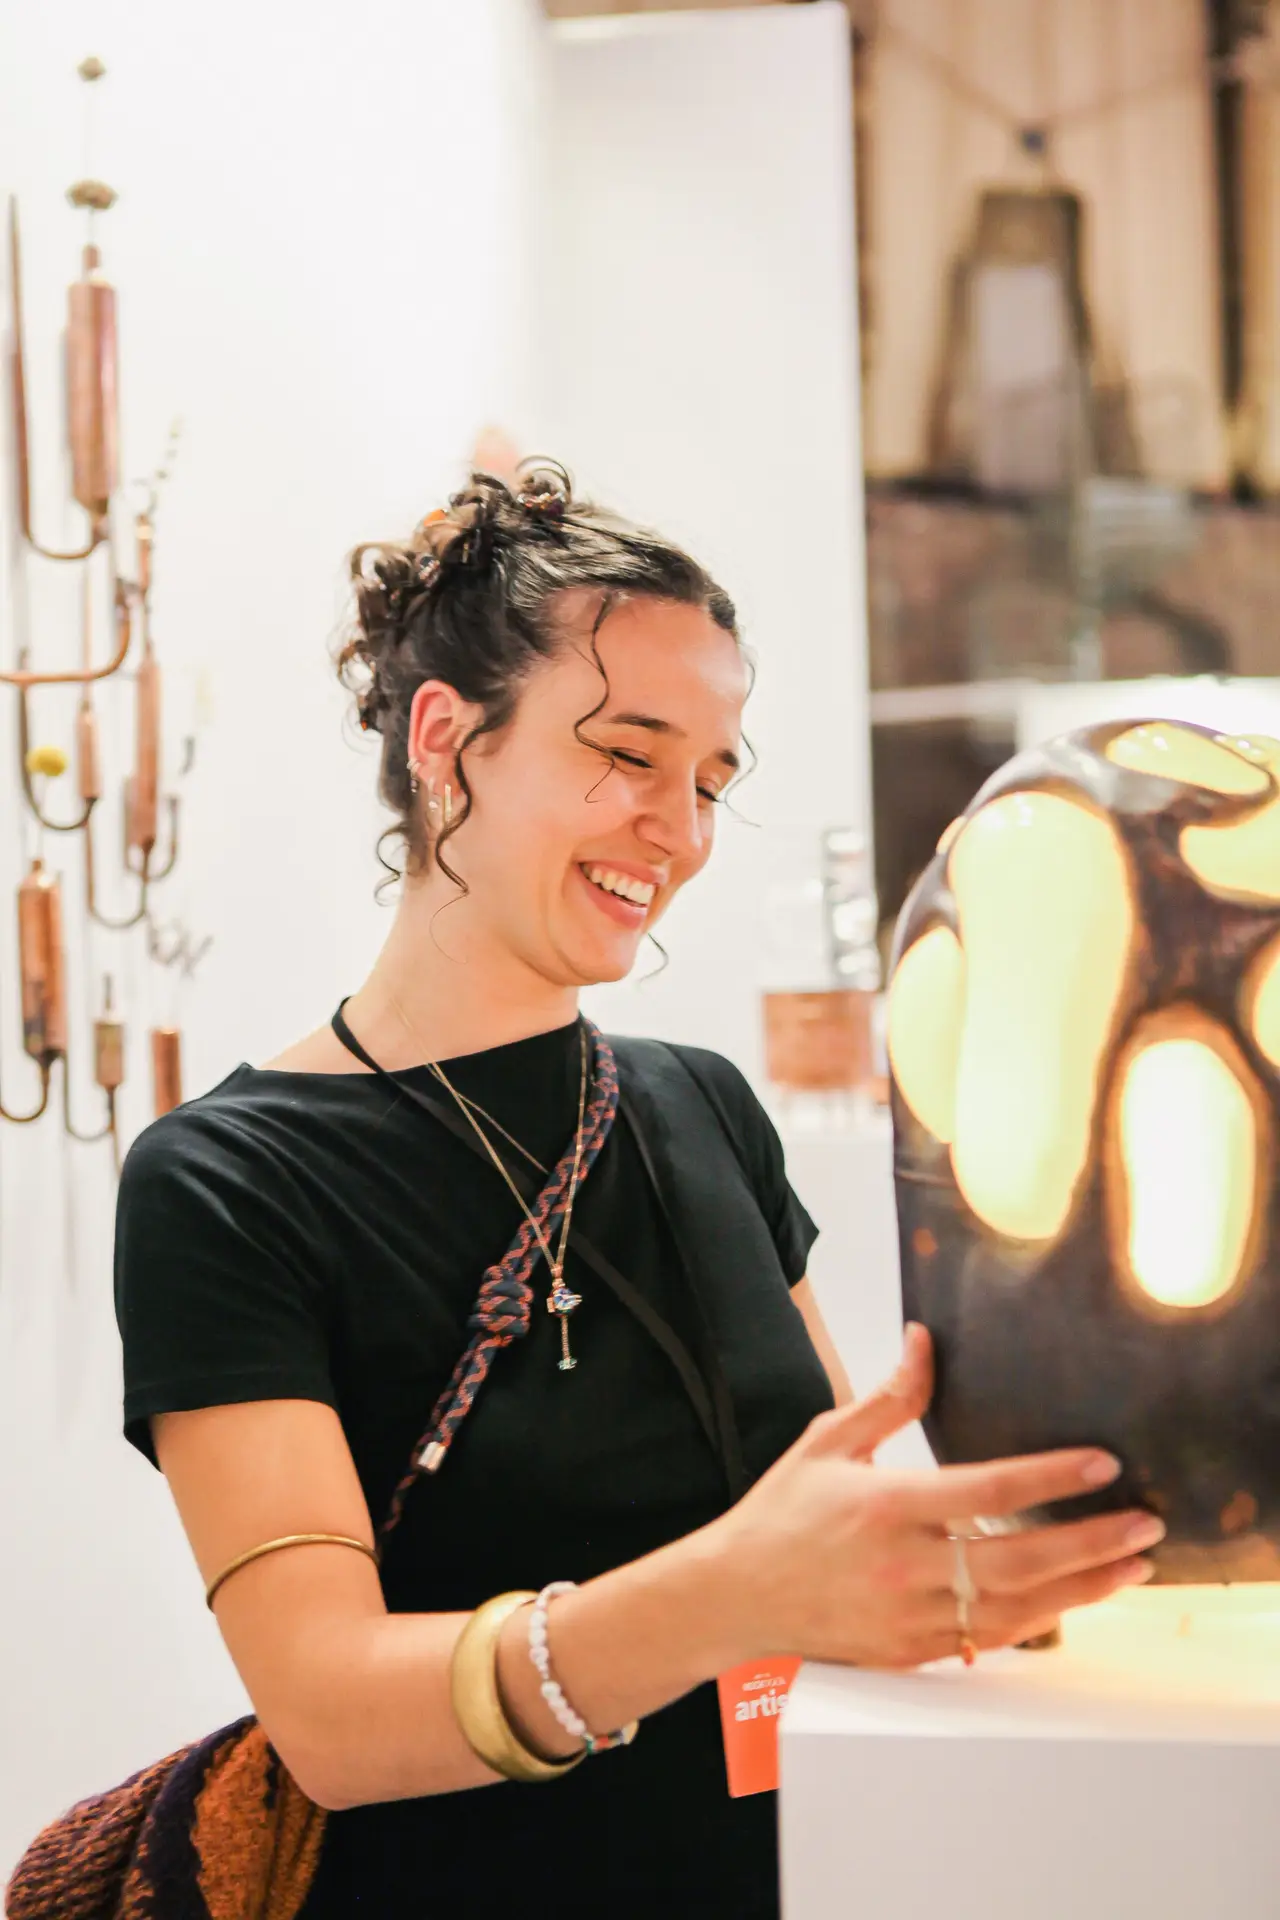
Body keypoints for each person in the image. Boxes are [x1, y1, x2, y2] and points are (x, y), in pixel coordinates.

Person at [114, 464, 1163, 1918]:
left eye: (712, 781)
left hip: (809, 1877)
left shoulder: (703, 1107)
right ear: (446, 739)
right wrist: (734, 1594)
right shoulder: (230, 1182)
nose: (680, 829)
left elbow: (827, 1537)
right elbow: (331, 1716)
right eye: (627, 753)